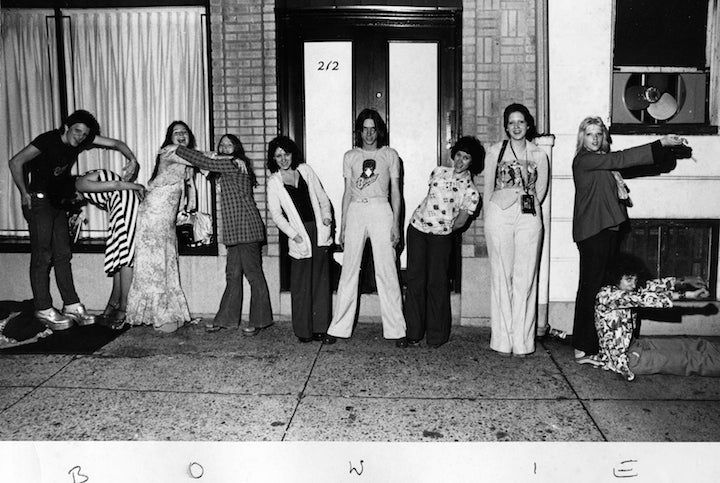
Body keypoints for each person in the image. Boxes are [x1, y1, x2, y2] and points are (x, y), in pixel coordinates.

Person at [8, 109, 138, 330]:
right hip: (38, 201)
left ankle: (71, 304)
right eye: (77, 131)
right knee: (42, 255)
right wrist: (23, 192)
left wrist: (132, 159)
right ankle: (43, 308)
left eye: (84, 134)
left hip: (58, 202)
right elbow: (15, 161)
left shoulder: (80, 141)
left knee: (62, 254)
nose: (79, 137)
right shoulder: (47, 140)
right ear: (67, 128)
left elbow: (116, 143)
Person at [571, 116, 686, 364]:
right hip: (593, 232)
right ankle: (582, 347)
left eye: (599, 134)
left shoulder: (603, 164)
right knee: (591, 289)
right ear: (582, 137)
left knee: (602, 289)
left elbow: (621, 167)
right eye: (590, 134)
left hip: (606, 230)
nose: (595, 138)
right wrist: (661, 143)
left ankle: (595, 344)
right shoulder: (586, 160)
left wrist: (666, 152)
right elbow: (621, 158)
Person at [173, 134, 273, 336]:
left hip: (247, 229)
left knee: (253, 275)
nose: (225, 147)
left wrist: (177, 148)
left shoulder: (235, 165)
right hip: (235, 231)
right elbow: (209, 161)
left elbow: (203, 161)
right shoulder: (227, 165)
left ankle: (261, 320)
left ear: (236, 148)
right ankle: (227, 319)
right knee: (233, 275)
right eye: (222, 145)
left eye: (230, 144)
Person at [324, 109, 407, 347]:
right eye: (365, 129)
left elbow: (395, 192)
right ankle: (338, 327)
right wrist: (342, 225)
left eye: (373, 129)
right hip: (356, 211)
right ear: (359, 131)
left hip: (381, 209)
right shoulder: (350, 156)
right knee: (349, 269)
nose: (369, 134)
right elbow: (347, 192)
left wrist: (396, 225)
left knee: (387, 270)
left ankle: (397, 330)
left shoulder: (390, 155)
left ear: (378, 130)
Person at [483, 103, 549, 357]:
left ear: (528, 124)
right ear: (506, 126)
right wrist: (493, 213)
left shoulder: (539, 154)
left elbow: (540, 191)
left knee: (525, 277)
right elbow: (488, 187)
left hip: (529, 215)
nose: (516, 127)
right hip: (499, 213)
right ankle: (502, 339)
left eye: (521, 122)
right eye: (511, 122)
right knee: (501, 275)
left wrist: (526, 205)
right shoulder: (495, 151)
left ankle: (522, 342)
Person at [405, 136, 483, 348]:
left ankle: (436, 336)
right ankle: (413, 332)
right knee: (415, 281)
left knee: (437, 284)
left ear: (472, 162)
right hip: (417, 229)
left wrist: (443, 229)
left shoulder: (472, 192)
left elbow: (460, 222)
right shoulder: (438, 171)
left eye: (466, 158)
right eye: (458, 155)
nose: (460, 161)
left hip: (441, 237)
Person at [125, 121, 197, 333]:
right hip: (154, 214)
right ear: (170, 138)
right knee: (154, 263)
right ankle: (159, 314)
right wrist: (229, 158)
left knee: (166, 261)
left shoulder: (184, 156)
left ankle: (167, 311)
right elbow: (204, 158)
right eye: (176, 133)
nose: (181, 135)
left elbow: (188, 187)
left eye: (184, 132)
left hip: (166, 218)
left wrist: (189, 209)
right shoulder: (170, 152)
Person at [591, 254, 709, 381]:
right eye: (629, 280)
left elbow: (651, 285)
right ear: (615, 277)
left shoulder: (624, 289)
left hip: (633, 345)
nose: (633, 285)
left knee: (685, 345)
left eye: (635, 280)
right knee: (687, 360)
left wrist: (684, 280)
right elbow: (644, 299)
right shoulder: (608, 296)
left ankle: (710, 350)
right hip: (627, 359)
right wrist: (689, 295)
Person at [266, 136, 333, 343]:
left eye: (286, 154)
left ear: (293, 153)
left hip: (318, 232)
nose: (283, 159)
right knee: (301, 285)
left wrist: (327, 217)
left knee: (321, 283)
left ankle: (321, 328)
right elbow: (276, 215)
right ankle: (304, 331)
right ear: (273, 159)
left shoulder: (305, 170)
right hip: (298, 237)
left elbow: (322, 197)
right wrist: (293, 234)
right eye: (278, 156)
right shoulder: (274, 182)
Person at [74, 169, 145, 329]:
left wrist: (138, 186)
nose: (77, 201)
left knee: (125, 255)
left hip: (124, 204)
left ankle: (124, 308)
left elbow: (115, 184)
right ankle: (114, 302)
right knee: (120, 254)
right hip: (121, 203)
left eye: (73, 199)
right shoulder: (88, 176)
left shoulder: (80, 183)